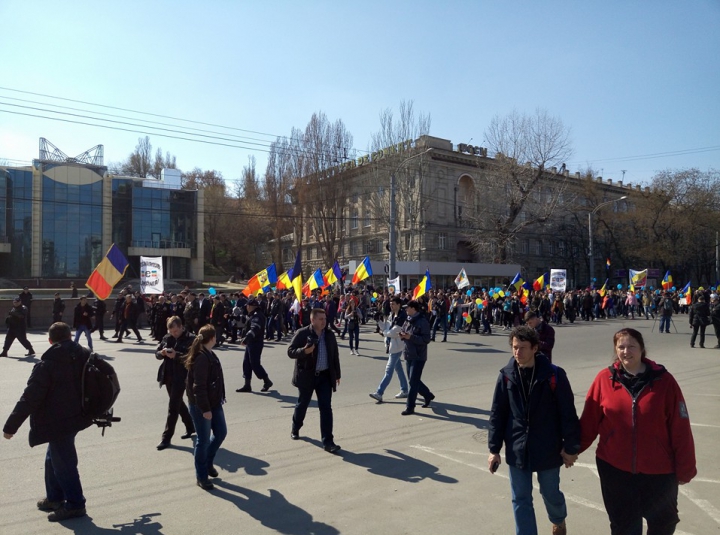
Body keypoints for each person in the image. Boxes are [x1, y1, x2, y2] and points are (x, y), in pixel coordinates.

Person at [577, 328, 697, 534]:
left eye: (631, 346)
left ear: (642, 349)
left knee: (663, 523)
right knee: (624, 526)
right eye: (621, 347)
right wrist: (572, 449)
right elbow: (589, 421)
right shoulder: (604, 379)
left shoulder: (664, 381)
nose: (626, 351)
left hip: (659, 471)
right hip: (615, 469)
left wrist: (686, 467)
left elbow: (680, 428)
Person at [488, 325, 580, 535]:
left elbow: (568, 413)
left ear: (535, 348)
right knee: (520, 498)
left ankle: (558, 520)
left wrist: (572, 447)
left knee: (550, 493)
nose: (517, 352)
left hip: (547, 446)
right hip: (517, 448)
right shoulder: (506, 375)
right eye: (514, 347)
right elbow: (497, 414)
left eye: (522, 347)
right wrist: (494, 449)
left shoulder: (554, 375)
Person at [2, 322, 94, 521]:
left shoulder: (47, 364)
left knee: (64, 462)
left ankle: (76, 504)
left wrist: (11, 426)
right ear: (70, 336)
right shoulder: (84, 355)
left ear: (50, 340)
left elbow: (30, 397)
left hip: (58, 420)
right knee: (53, 457)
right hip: (78, 415)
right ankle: (54, 497)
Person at [287, 307, 341, 453]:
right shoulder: (302, 333)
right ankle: (296, 427)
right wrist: (304, 351)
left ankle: (328, 442)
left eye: (325, 319)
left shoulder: (329, 335)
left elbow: (334, 355)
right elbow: (290, 351)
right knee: (302, 405)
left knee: (326, 409)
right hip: (307, 377)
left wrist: (337, 374)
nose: (324, 322)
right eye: (321, 319)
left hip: (324, 377)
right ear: (312, 320)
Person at [185, 325, 227, 490]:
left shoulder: (209, 354)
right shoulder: (202, 358)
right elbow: (198, 387)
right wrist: (205, 409)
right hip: (202, 405)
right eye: (215, 336)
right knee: (202, 441)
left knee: (221, 433)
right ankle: (201, 476)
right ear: (212, 338)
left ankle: (208, 462)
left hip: (214, 402)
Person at [155, 316, 195, 450]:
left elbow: (192, 357)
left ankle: (166, 438)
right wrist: (162, 353)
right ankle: (190, 426)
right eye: (171, 331)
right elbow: (157, 353)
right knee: (178, 403)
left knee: (173, 406)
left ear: (181, 327)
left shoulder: (191, 338)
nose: (174, 334)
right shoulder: (167, 338)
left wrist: (176, 355)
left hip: (182, 376)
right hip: (168, 375)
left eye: (176, 331)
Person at [369, 296, 409, 402]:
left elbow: (395, 332)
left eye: (393, 304)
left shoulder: (402, 316)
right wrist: (378, 320)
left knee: (388, 371)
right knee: (398, 369)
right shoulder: (392, 314)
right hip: (391, 345)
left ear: (399, 305)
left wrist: (384, 333)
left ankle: (379, 392)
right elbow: (386, 328)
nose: (391, 306)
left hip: (397, 347)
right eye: (391, 304)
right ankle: (405, 390)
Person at [399, 300, 435, 415]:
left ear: (413, 309)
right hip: (409, 353)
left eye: (407, 308)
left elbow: (426, 339)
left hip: (419, 356)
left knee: (413, 383)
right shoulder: (408, 320)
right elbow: (405, 332)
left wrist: (411, 337)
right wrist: (403, 336)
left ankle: (410, 407)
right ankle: (427, 395)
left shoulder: (422, 321)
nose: (405, 310)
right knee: (412, 380)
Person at [236, 298, 273, 393]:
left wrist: (246, 338)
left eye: (247, 306)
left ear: (250, 306)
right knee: (247, 363)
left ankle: (267, 381)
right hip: (251, 343)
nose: (246, 308)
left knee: (255, 364)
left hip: (255, 343)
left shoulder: (257, 316)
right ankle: (247, 385)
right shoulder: (253, 314)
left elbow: (254, 328)